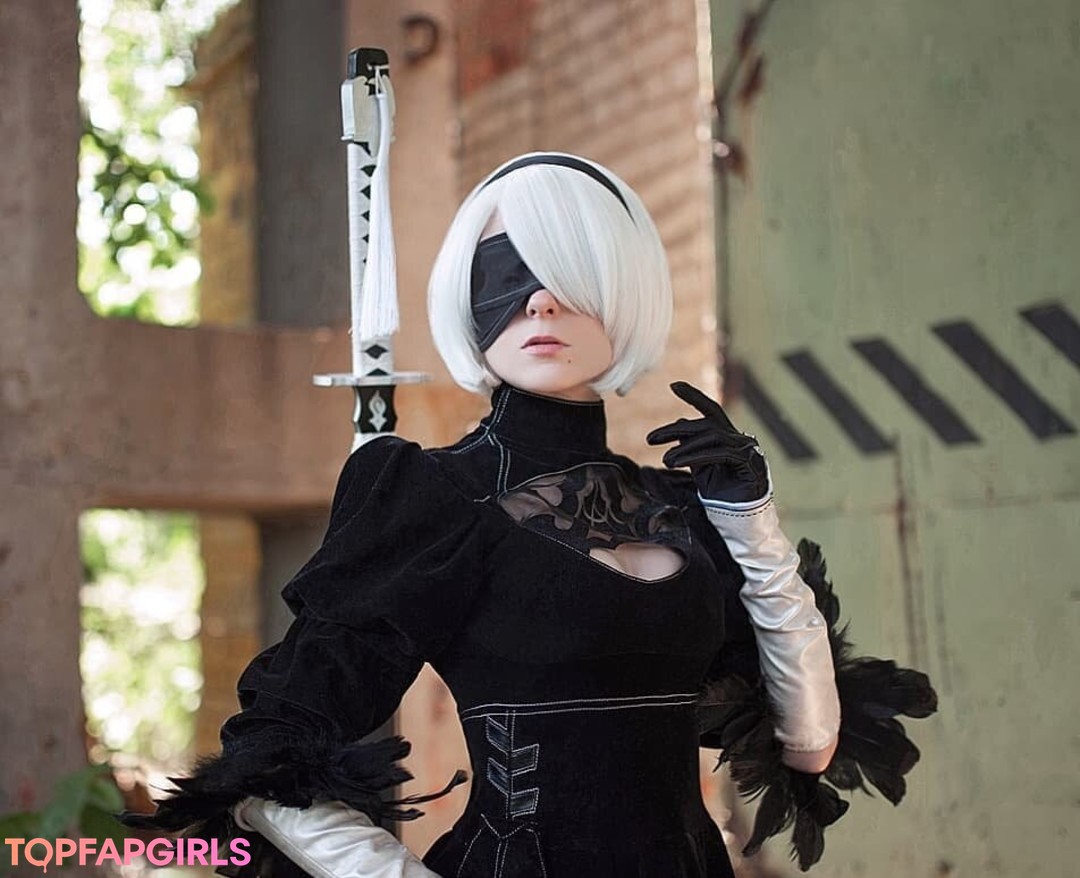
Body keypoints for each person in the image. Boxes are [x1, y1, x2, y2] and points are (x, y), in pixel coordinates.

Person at [124, 153, 934, 877]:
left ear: (621, 291)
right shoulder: (436, 500)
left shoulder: (683, 507)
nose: (541, 300)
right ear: (468, 296)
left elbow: (809, 744)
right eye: (508, 273)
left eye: (569, 271)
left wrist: (749, 521)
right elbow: (270, 769)